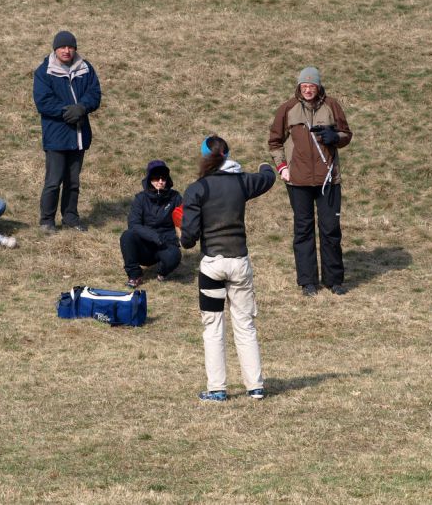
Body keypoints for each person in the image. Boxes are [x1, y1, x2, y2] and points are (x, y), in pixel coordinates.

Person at [180, 135, 276, 402]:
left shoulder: (197, 189)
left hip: (212, 265)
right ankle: (255, 386)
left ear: (203, 157)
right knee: (245, 324)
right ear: (228, 155)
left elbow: (188, 239)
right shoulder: (242, 182)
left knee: (213, 327)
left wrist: (185, 236)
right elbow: (267, 178)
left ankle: (217, 389)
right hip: (240, 263)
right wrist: (266, 166)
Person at [268, 66, 353, 297]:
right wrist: (282, 168)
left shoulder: (332, 105)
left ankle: (334, 280)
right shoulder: (287, 109)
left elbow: (347, 134)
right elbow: (275, 142)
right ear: (299, 87)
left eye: (312, 86)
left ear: (318, 86)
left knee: (331, 230)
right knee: (303, 230)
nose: (308, 90)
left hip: (329, 180)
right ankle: (308, 282)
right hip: (298, 182)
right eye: (304, 86)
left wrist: (335, 137)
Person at [32, 30, 102, 233]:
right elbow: (43, 101)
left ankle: (71, 217)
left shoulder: (86, 68)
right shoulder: (44, 71)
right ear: (55, 49)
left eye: (70, 47)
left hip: (79, 136)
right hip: (56, 136)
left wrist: (82, 107)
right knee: (53, 182)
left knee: (73, 181)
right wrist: (66, 112)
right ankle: (47, 221)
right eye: (62, 47)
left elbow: (95, 93)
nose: (66, 50)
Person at [119, 160, 183, 288]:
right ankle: (134, 275)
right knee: (127, 236)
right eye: (156, 177)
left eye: (163, 178)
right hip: (145, 245)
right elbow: (134, 225)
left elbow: (182, 220)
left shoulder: (175, 198)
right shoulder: (140, 199)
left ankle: (162, 271)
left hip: (166, 242)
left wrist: (179, 238)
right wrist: (153, 236)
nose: (160, 181)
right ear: (149, 179)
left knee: (175, 256)